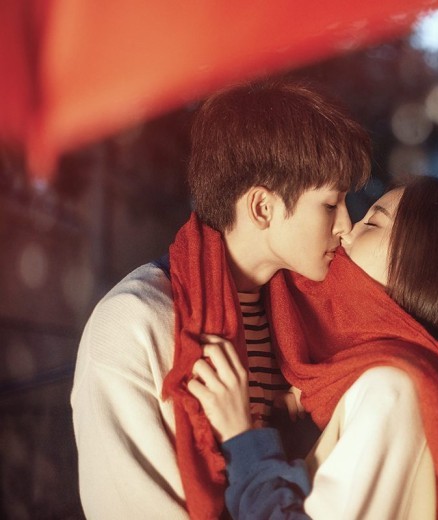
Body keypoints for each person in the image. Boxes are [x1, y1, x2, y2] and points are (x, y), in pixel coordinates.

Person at [70, 80, 371, 519]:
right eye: (330, 205)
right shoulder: (135, 323)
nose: (346, 224)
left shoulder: (300, 319)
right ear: (262, 208)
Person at [188, 176, 438, 519]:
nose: (346, 231)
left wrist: (241, 438)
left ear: (421, 271)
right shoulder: (406, 383)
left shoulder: (391, 389)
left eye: (372, 224)